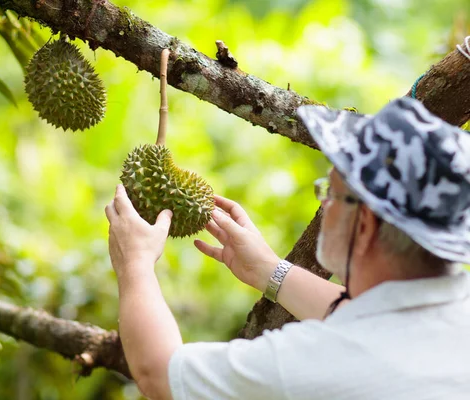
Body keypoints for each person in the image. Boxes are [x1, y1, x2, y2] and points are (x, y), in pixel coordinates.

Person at [104, 97, 470, 400]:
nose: (324, 205)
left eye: (331, 193)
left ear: (364, 224)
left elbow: (160, 375)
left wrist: (134, 264)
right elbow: (382, 322)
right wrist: (268, 269)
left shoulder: (318, 362)